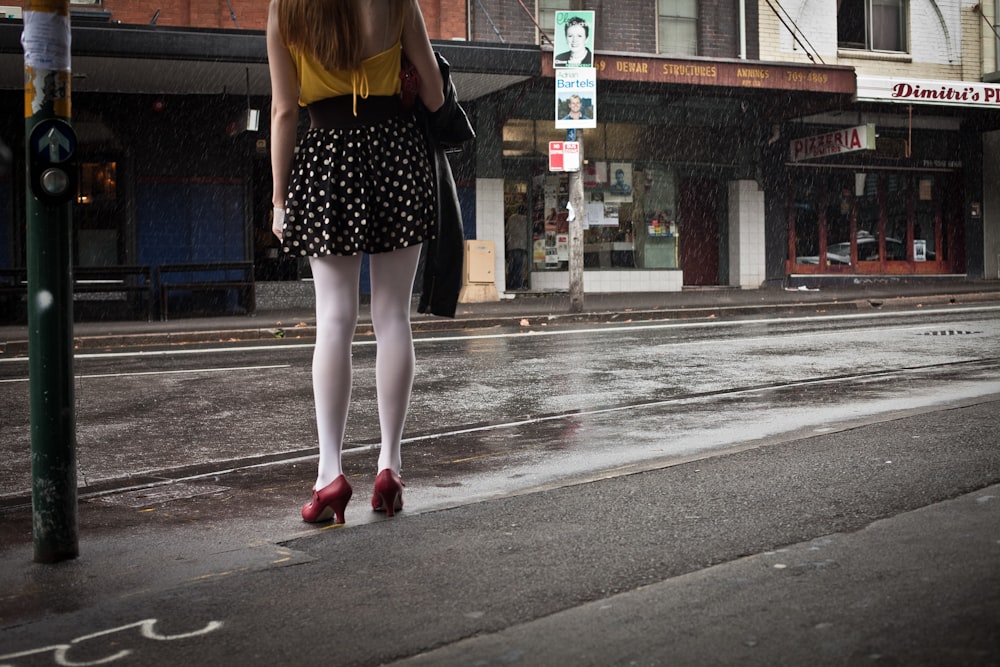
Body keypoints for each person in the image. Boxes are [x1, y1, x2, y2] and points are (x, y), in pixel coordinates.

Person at [267, 0, 445, 524]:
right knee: (393, 316)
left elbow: (283, 110)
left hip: (327, 158)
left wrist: (279, 201)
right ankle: (389, 467)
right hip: (396, 152)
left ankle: (329, 475)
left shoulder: (286, 9)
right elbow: (434, 95)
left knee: (335, 320)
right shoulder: (396, 2)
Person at [505, 205, 528, 290]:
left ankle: (511, 284)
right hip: (521, 246)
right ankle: (518, 285)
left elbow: (507, 231)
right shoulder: (526, 219)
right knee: (519, 268)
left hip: (511, 246)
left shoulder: (511, 218)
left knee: (512, 267)